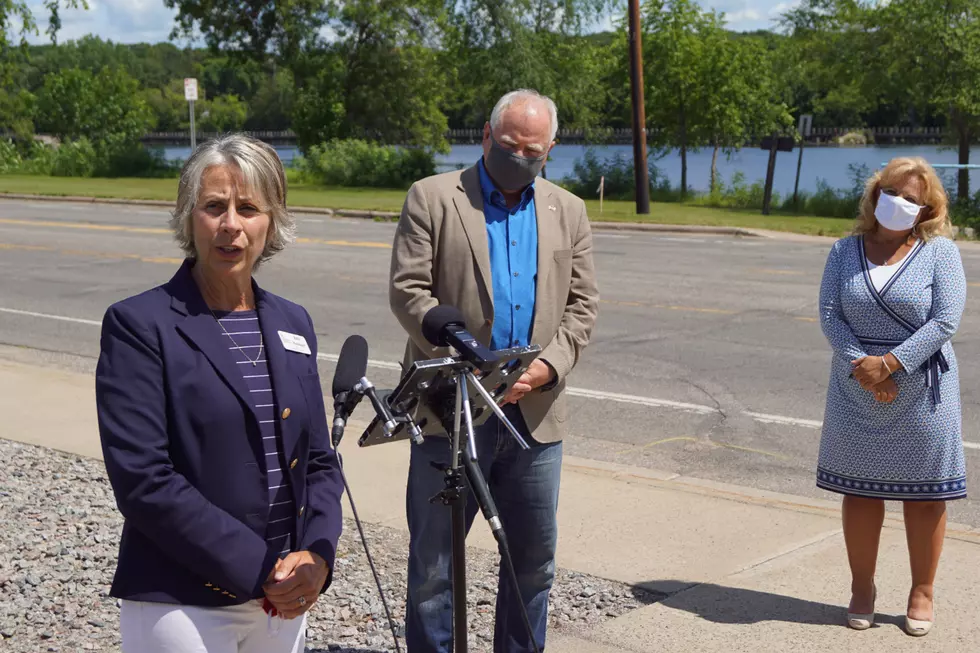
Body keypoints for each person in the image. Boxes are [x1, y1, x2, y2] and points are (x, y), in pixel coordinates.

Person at [95, 134, 344, 652]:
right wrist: (259, 567)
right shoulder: (140, 325)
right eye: (214, 206)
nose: (231, 224)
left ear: (271, 223)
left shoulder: (291, 322)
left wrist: (317, 557)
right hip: (182, 600)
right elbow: (144, 482)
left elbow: (318, 460)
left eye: (248, 207)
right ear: (189, 218)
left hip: (283, 597)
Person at [389, 88, 599, 652]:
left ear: (550, 150)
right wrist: (456, 347)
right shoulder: (432, 198)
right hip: (449, 410)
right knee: (435, 570)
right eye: (509, 146)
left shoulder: (568, 209)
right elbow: (408, 293)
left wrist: (547, 369)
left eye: (533, 151)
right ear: (485, 136)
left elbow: (582, 306)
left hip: (532, 416)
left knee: (532, 566)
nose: (519, 157)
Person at [817, 157, 966, 637]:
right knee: (860, 491)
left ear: (926, 209)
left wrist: (892, 365)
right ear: (874, 193)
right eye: (891, 191)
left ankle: (922, 591)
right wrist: (867, 368)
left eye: (911, 197)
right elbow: (830, 315)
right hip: (856, 385)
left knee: (924, 499)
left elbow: (945, 320)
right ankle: (863, 587)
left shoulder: (940, 252)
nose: (898, 203)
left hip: (923, 390)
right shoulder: (843, 251)